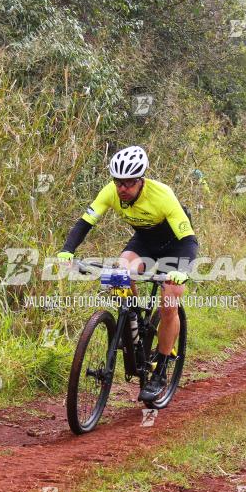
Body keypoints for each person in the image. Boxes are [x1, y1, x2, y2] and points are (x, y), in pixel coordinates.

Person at [57, 145, 199, 402]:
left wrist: (182, 271)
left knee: (169, 303)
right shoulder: (110, 192)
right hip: (144, 243)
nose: (122, 188)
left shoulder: (163, 195)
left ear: (141, 180)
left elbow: (189, 240)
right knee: (119, 273)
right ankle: (133, 320)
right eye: (118, 182)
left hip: (175, 247)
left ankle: (161, 370)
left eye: (129, 183)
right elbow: (85, 222)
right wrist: (67, 250)